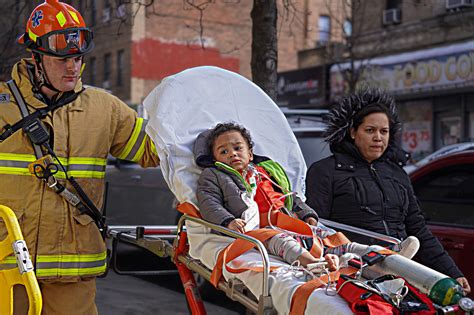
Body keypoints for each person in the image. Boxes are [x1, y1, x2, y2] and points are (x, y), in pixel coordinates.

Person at [0, 1, 159, 314]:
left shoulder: (105, 109)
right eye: (61, 59)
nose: (72, 67)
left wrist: (216, 141)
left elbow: (154, 151)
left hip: (72, 279)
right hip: (7, 272)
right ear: (35, 57)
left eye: (76, 57)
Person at [305, 88, 471, 294]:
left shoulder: (396, 173)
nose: (378, 138)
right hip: (351, 272)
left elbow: (418, 229)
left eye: (384, 131)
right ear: (353, 132)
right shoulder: (325, 171)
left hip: (401, 273)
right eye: (370, 130)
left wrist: (453, 273)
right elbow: (317, 230)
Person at [193, 122, 416, 275]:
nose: (232, 154)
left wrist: (307, 213)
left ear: (250, 153)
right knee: (284, 243)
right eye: (223, 151)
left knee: (331, 238)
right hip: (260, 229)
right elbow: (208, 202)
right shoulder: (213, 176)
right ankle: (316, 266)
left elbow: (291, 197)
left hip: (289, 220)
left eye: (237, 147)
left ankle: (386, 258)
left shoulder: (265, 171)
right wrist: (228, 221)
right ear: (214, 159)